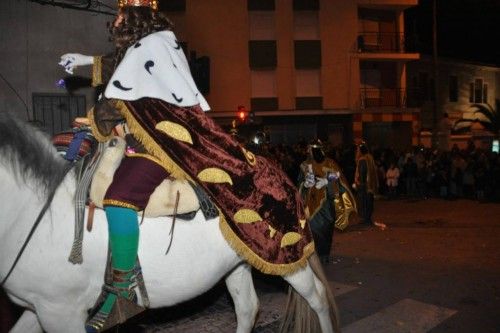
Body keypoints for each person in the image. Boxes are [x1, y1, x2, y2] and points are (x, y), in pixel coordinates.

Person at [60, 1, 313, 331]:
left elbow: (117, 94)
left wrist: (101, 120)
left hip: (161, 149)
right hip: (132, 145)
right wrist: (83, 63)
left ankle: (122, 290)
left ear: (136, 24)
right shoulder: (143, 49)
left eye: (122, 22)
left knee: (119, 200)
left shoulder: (156, 46)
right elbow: (117, 68)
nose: (117, 29)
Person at [298, 140, 357, 263]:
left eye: (310, 149)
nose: (308, 151)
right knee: (313, 229)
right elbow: (300, 182)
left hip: (326, 204)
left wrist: (326, 181)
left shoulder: (329, 162)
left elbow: (338, 176)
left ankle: (324, 254)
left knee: (326, 229)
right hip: (311, 202)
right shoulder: (305, 164)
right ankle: (314, 255)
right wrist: (306, 184)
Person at [354, 142, 384, 229]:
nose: (357, 152)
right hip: (369, 185)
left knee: (364, 202)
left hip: (364, 185)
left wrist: (360, 182)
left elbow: (362, 172)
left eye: (358, 150)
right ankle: (368, 218)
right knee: (369, 202)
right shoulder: (369, 158)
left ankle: (366, 219)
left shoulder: (362, 159)